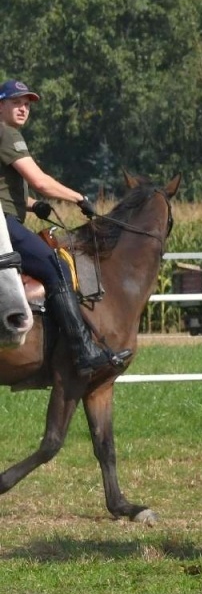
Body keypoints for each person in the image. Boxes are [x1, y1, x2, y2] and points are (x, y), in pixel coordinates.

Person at [0, 79, 131, 376]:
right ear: (0, 106)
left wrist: (33, 206)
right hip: (3, 224)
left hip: (6, 219)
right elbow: (41, 181)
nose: (23, 108)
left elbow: (10, 189)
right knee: (56, 265)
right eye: (16, 102)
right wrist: (79, 198)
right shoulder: (7, 135)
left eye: (27, 104)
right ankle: (83, 350)